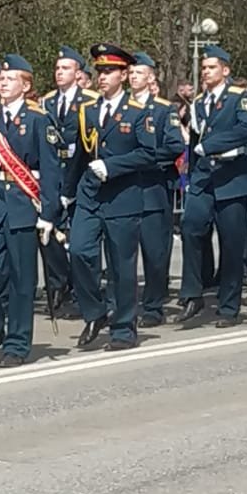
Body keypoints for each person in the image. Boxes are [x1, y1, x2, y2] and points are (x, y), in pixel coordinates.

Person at [0, 54, 60, 366]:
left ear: (26, 85)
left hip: (23, 203)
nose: (3, 84)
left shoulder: (38, 119)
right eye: (2, 79)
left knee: (22, 280)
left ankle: (17, 344)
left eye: (10, 80)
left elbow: (50, 169)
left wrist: (48, 214)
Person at [68, 44, 156, 352]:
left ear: (123, 75)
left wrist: (112, 166)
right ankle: (95, 312)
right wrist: (66, 195)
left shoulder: (138, 113)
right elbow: (79, 156)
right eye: (99, 72)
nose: (102, 77)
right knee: (78, 251)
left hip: (122, 198)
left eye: (109, 72)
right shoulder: (88, 110)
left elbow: (148, 154)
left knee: (121, 267)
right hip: (90, 195)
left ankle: (124, 328)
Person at [178, 44, 247, 328]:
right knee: (191, 227)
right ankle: (192, 293)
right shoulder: (198, 102)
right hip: (204, 179)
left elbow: (245, 131)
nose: (206, 72)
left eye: (211, 67)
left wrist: (209, 146)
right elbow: (194, 139)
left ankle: (229, 306)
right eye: (204, 68)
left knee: (232, 243)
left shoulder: (238, 98)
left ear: (225, 70)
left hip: (231, 179)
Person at [128, 53, 185, 326]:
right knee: (123, 255)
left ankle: (152, 307)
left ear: (151, 78)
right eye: (131, 72)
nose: (133, 77)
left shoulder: (163, 110)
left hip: (152, 187)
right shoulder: (121, 108)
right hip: (125, 190)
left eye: (139, 72)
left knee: (154, 254)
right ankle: (123, 306)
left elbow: (175, 145)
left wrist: (146, 159)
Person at [41, 45, 97, 315]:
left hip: (82, 174)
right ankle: (58, 282)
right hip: (55, 172)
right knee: (50, 231)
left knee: (79, 238)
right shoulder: (47, 101)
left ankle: (80, 289)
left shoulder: (90, 100)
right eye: (57, 68)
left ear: (78, 73)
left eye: (65, 69)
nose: (59, 73)